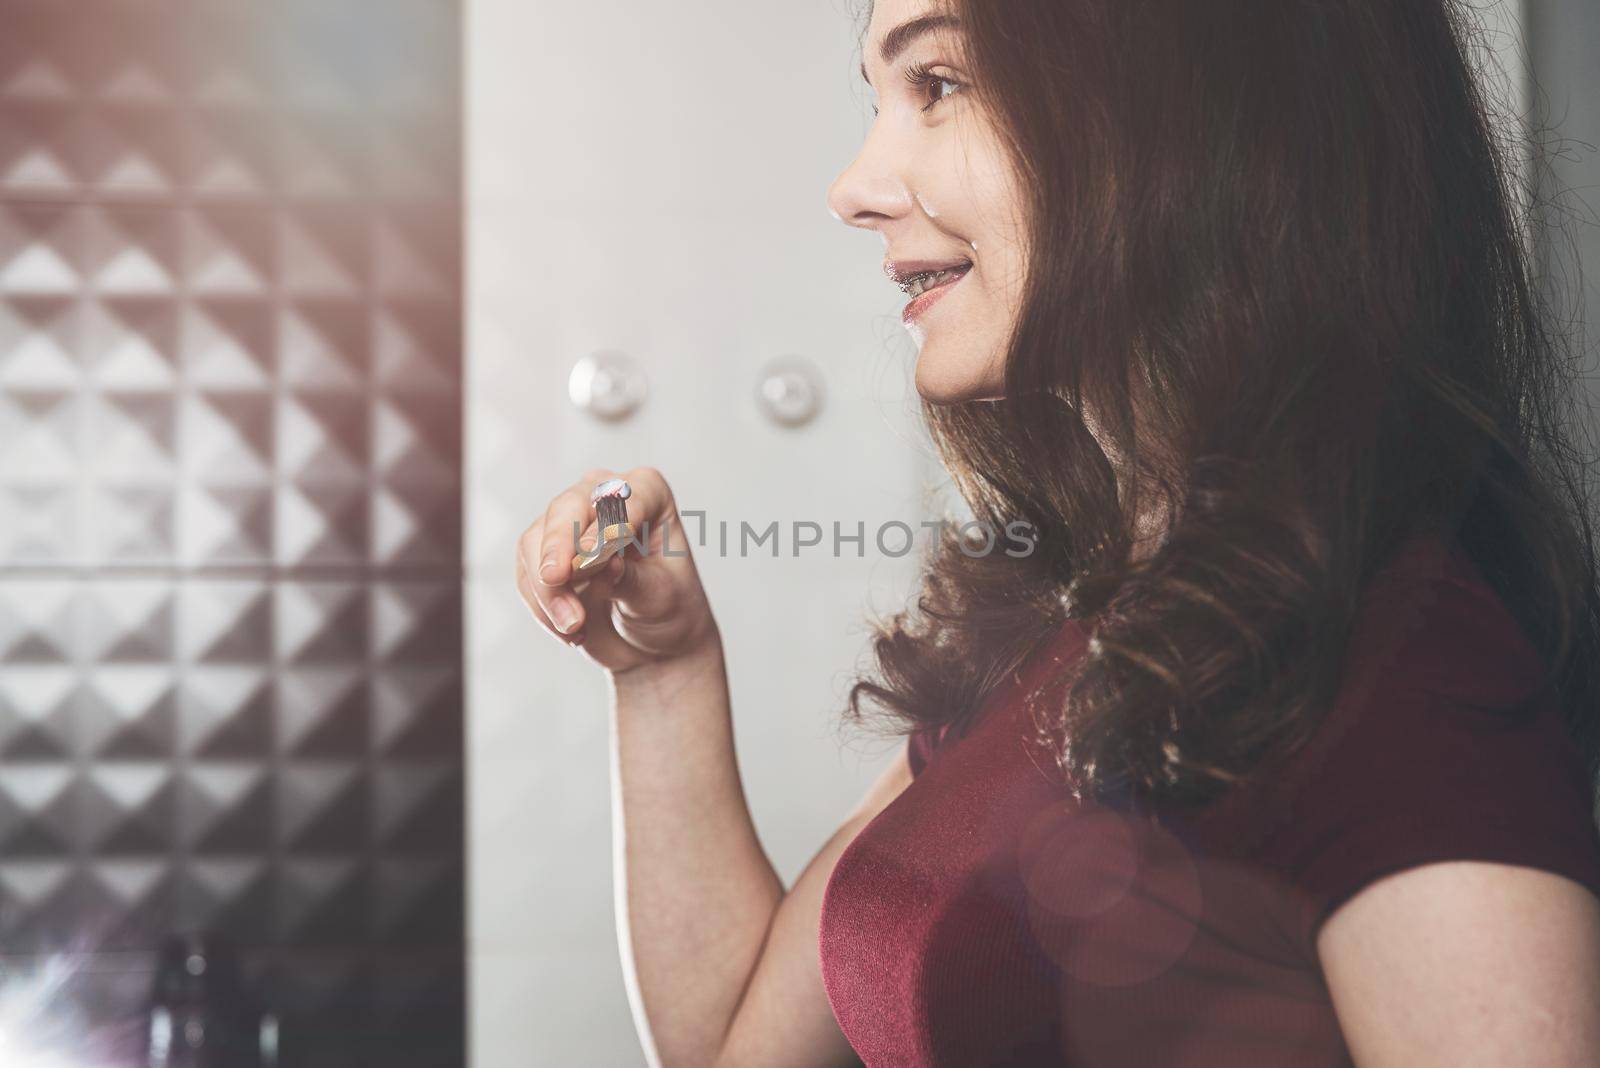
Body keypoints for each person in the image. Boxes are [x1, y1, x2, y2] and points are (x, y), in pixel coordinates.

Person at [514, 0, 1600, 1063]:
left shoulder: (1402, 682)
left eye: (936, 83)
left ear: (1182, 113)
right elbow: (734, 1050)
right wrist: (664, 672)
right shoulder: (1070, 609)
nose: (853, 189)